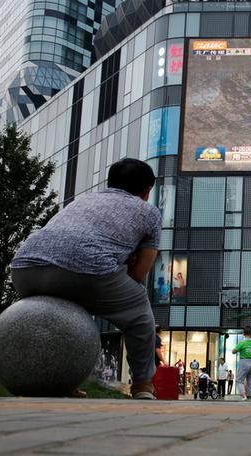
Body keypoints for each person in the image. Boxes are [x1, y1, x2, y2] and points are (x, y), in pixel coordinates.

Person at [10, 158, 161, 400]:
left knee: (62, 319)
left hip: (24, 268)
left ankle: (59, 383)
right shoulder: (149, 212)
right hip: (86, 272)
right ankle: (142, 385)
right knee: (138, 310)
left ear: (110, 183)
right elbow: (138, 275)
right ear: (146, 191)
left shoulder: (83, 200)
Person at [232, 326, 251, 400]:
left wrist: (239, 350)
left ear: (243, 334)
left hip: (244, 362)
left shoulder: (242, 343)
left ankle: (243, 395)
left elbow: (233, 351)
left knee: (239, 380)